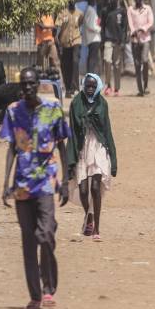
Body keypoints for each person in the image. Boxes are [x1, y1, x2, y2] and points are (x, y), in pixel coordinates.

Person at [0, 68, 72, 309]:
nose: (28, 88)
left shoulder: (53, 110)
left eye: (32, 84)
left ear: (38, 84)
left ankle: (49, 288)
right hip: (22, 186)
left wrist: (65, 181)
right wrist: (5, 185)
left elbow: (62, 146)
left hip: (46, 182)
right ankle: (35, 295)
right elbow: (12, 148)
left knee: (46, 235)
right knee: (29, 241)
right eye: (24, 84)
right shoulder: (12, 112)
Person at [66, 73, 117, 241]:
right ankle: (88, 214)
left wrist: (114, 159)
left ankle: (97, 227)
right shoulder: (76, 103)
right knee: (82, 190)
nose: (90, 89)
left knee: (95, 187)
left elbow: (107, 130)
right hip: (82, 147)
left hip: (98, 147)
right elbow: (72, 131)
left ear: (98, 87)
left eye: (93, 87)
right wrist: (70, 159)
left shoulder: (103, 104)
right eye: (87, 86)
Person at [100, 0, 128, 96]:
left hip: (118, 41)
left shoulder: (122, 11)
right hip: (108, 39)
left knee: (117, 65)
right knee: (107, 61)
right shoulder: (104, 11)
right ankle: (108, 85)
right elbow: (102, 27)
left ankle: (117, 88)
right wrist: (102, 41)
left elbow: (125, 28)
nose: (110, 0)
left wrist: (124, 41)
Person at [129, 0, 155, 97]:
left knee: (144, 60)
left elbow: (151, 22)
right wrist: (133, 31)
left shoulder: (147, 9)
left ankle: (146, 85)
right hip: (135, 40)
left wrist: (142, 29)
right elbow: (130, 23)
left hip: (145, 39)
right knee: (137, 64)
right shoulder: (131, 9)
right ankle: (140, 89)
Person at [57, 3, 82, 96]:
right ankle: (68, 88)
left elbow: (80, 23)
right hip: (64, 42)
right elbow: (58, 27)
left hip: (76, 40)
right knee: (66, 65)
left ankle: (74, 86)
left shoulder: (80, 13)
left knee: (75, 61)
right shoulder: (62, 13)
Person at [81, 0, 102, 78]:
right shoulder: (91, 10)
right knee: (93, 57)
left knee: (92, 57)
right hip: (94, 38)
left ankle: (91, 73)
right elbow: (91, 25)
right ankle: (91, 74)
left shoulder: (89, 10)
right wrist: (99, 29)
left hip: (92, 38)